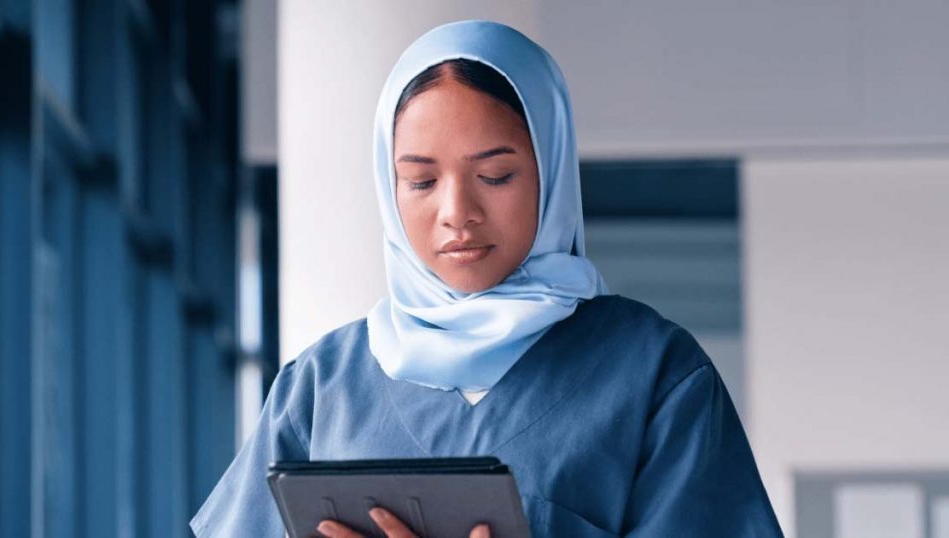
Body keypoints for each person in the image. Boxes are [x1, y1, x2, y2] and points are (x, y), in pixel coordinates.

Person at [190, 20, 783, 538]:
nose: (456, 212)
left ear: (549, 172)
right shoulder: (322, 387)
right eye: (421, 182)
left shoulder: (656, 375)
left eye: (496, 175)